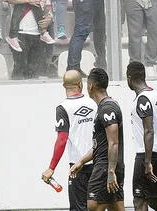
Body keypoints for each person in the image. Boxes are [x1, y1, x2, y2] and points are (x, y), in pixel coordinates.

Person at [69, 68, 125, 211]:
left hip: (105, 168)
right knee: (115, 206)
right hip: (109, 166)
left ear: (91, 85)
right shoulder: (106, 106)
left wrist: (110, 171)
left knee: (93, 206)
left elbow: (113, 143)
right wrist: (81, 161)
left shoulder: (107, 108)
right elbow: (100, 145)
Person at [41, 70, 97, 211]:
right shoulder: (93, 103)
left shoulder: (63, 108)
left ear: (64, 86)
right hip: (98, 163)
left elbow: (62, 139)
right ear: (80, 84)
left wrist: (51, 168)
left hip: (77, 167)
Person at [126, 61, 157, 211]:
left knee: (139, 200)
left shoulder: (143, 99)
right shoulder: (155, 95)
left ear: (129, 78)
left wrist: (147, 162)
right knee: (154, 199)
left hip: (148, 155)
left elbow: (149, 130)